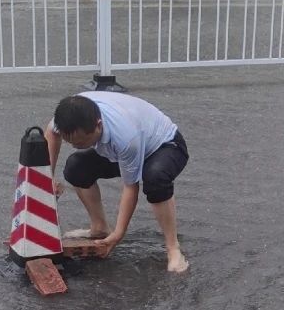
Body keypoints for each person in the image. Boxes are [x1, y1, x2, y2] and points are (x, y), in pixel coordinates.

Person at [44, 92, 190, 273]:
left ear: (98, 125)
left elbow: (131, 187)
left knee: (155, 178)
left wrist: (119, 234)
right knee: (76, 167)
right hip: (117, 149)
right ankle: (99, 227)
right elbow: (51, 133)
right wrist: (47, 177)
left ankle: (173, 248)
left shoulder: (126, 137)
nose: (75, 146)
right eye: (71, 142)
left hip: (164, 145)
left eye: (82, 142)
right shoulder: (68, 117)